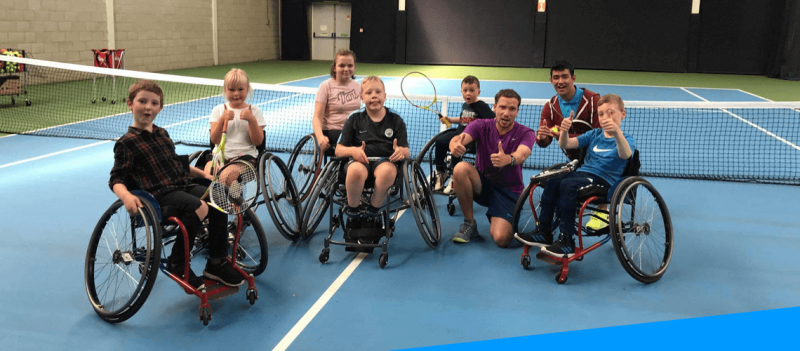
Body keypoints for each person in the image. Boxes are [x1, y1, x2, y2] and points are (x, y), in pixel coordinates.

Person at [109, 80, 245, 290]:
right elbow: (116, 179)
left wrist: (206, 177)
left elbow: (179, 165)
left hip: (181, 186)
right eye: (142, 101)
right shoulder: (126, 143)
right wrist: (126, 197)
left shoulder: (162, 134)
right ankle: (178, 263)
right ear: (130, 104)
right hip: (158, 195)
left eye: (154, 103)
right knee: (199, 207)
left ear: (160, 108)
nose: (148, 107)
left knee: (219, 197)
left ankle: (216, 263)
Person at [515, 94, 635, 257]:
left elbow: (626, 155)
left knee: (567, 185)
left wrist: (616, 133)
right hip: (583, 174)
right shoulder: (594, 134)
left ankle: (566, 241)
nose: (606, 117)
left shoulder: (627, 139)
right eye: (601, 114)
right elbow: (566, 144)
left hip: (604, 182)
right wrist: (564, 131)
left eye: (611, 112)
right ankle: (544, 232)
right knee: (553, 181)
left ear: (623, 113)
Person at [449, 89, 537, 247]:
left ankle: (502, 214)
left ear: (517, 111)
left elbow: (522, 154)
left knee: (501, 239)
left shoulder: (526, 133)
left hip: (508, 191)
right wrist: (454, 145)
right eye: (502, 107)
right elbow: (459, 138)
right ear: (494, 107)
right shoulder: (480, 125)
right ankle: (469, 223)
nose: (506, 113)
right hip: (483, 184)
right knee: (460, 168)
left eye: (512, 109)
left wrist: (509, 159)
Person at [535, 60, 608, 230]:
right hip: (574, 157)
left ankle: (602, 209)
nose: (560, 81)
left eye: (564, 76)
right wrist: (541, 137)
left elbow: (602, 134)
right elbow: (544, 142)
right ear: (551, 80)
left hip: (598, 157)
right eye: (556, 77)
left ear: (573, 78)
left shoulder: (592, 101)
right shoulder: (550, 107)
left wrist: (567, 136)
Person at [336, 76, 409, 236]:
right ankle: (353, 213)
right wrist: (353, 151)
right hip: (359, 162)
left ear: (385, 96)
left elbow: (405, 150)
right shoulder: (354, 119)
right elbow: (339, 150)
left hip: (385, 162)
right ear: (362, 98)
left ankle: (372, 212)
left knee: (387, 172)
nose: (374, 95)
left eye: (378, 92)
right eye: (368, 93)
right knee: (355, 171)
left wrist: (401, 152)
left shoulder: (395, 120)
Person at [431, 75, 495, 193]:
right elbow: (463, 120)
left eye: (471, 90)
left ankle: (454, 177)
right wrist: (450, 120)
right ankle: (441, 171)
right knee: (439, 141)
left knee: (457, 145)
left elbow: (493, 121)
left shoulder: (482, 106)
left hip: (472, 139)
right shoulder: (465, 105)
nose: (468, 94)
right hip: (459, 133)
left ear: (478, 92)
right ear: (461, 91)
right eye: (465, 91)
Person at [206, 68, 265, 173]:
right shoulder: (218, 110)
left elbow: (258, 141)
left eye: (240, 89)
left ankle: (231, 188)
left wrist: (251, 120)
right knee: (207, 176)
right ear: (225, 90)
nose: (236, 94)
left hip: (244, 159)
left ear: (247, 89)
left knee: (226, 176)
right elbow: (214, 140)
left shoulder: (255, 111)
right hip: (219, 157)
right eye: (232, 90)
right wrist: (221, 120)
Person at [313, 49, 361, 156]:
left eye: (350, 65)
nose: (346, 69)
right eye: (342, 65)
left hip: (354, 131)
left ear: (354, 67)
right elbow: (317, 117)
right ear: (334, 68)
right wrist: (320, 137)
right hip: (333, 131)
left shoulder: (357, 87)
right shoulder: (326, 86)